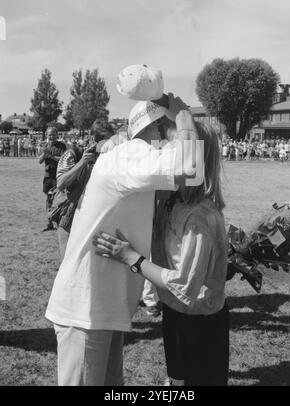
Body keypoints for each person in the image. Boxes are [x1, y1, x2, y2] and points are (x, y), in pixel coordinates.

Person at [46, 65, 203, 386]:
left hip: (99, 306)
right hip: (87, 310)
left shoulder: (129, 156)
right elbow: (191, 169)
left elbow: (188, 168)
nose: (177, 137)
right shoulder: (131, 155)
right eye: (171, 130)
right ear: (159, 128)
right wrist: (184, 116)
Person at [94, 122, 229, 386]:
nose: (163, 154)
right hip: (175, 313)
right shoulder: (171, 203)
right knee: (177, 381)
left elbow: (185, 285)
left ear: (192, 159)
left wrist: (131, 258)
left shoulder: (200, 216)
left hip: (200, 322)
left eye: (172, 149)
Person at [54, 122, 114, 260]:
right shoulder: (73, 153)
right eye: (104, 141)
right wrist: (83, 162)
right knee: (68, 263)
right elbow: (61, 183)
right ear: (93, 139)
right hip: (69, 219)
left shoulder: (110, 158)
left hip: (93, 222)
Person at [39, 127, 66, 231]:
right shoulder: (45, 146)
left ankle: (60, 222)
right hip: (47, 177)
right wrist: (44, 153)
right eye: (49, 135)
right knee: (49, 200)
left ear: (57, 135)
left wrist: (51, 155)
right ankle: (50, 223)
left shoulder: (61, 146)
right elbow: (40, 161)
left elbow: (63, 159)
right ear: (47, 135)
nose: (51, 137)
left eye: (53, 134)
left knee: (58, 199)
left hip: (57, 177)